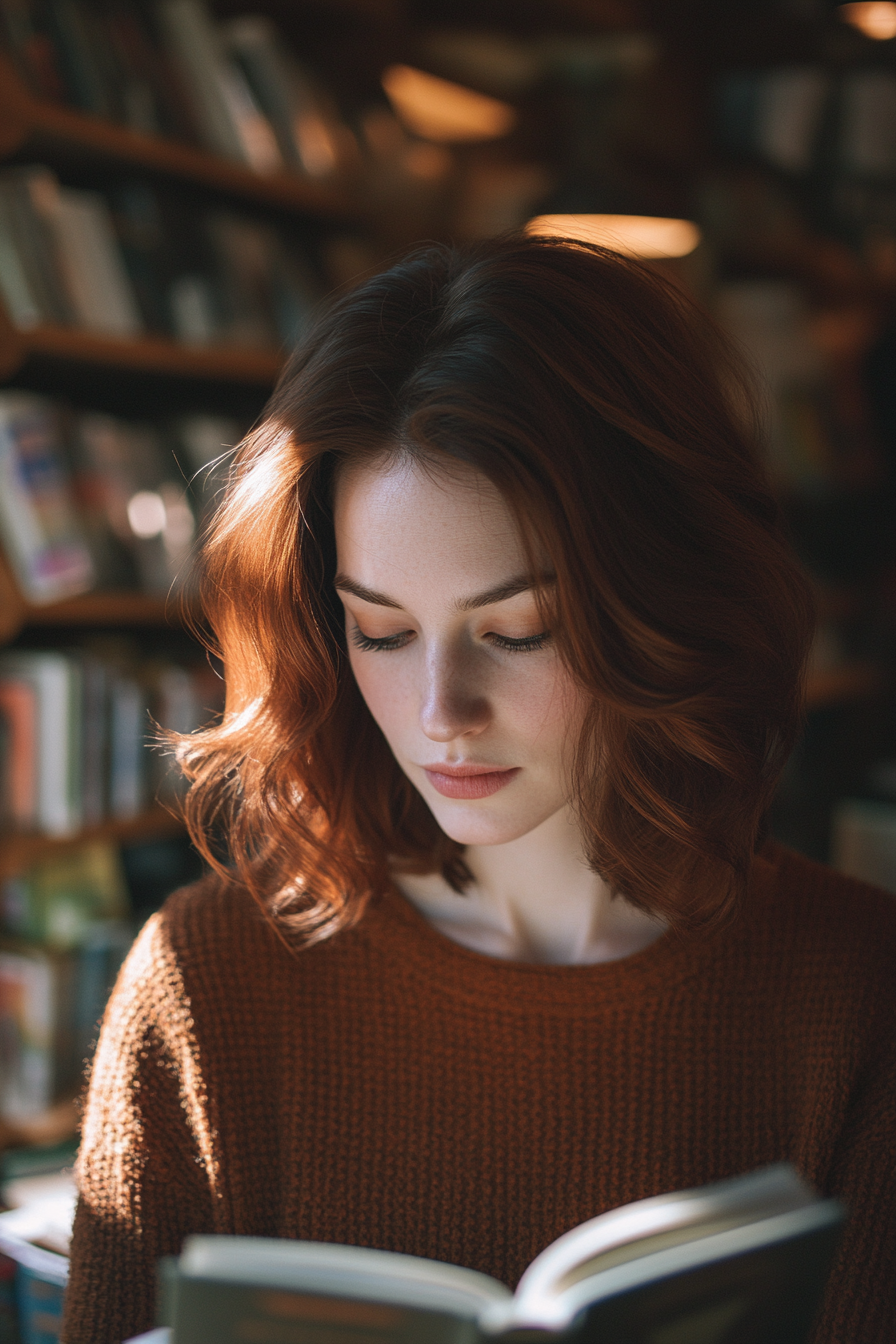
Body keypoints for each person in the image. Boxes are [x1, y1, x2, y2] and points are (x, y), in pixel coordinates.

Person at [61, 236, 896, 1344]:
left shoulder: (855, 996)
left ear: (663, 603)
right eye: (381, 631)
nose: (437, 711)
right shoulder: (207, 985)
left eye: (514, 631)